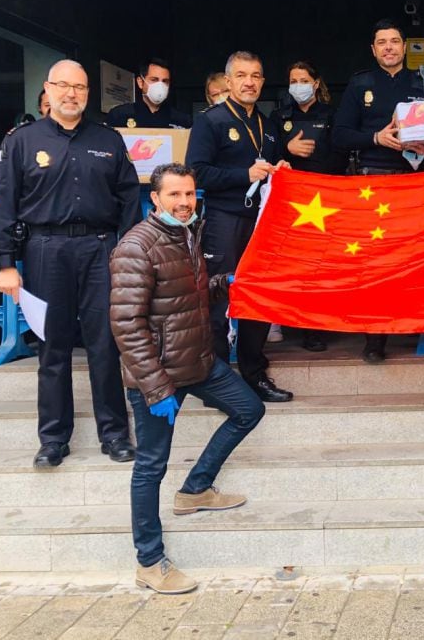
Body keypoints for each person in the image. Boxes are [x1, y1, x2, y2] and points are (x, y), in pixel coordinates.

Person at [110, 163, 265, 595]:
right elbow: (127, 325)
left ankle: (196, 488)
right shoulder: (136, 247)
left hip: (197, 361)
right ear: (155, 198)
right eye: (174, 195)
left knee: (249, 409)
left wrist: (222, 283)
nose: (183, 202)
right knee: (150, 467)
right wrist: (156, 387)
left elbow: (183, 295)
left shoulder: (187, 233)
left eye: (190, 194)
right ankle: (149, 561)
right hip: (158, 376)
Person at [0, 59, 140, 467]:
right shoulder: (21, 141)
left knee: (105, 344)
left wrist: (125, 252)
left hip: (99, 250)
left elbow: (129, 200)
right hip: (44, 251)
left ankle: (115, 434)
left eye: (80, 87)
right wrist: (6, 262)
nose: (72, 93)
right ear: (48, 90)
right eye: (64, 86)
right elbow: (2, 204)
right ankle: (53, 438)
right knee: (51, 346)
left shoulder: (108, 140)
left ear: (88, 93)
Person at [332, 18, 424, 363]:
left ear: (404, 47)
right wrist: (375, 138)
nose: (388, 47)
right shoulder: (360, 86)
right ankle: (376, 338)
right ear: (373, 49)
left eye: (394, 41)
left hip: (420, 183)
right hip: (377, 182)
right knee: (379, 264)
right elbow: (338, 136)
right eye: (381, 42)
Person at [186, 50, 294, 403]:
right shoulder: (211, 121)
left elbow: (271, 168)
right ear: (229, 81)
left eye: (257, 76)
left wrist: (281, 170)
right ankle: (217, 381)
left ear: (263, 81)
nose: (249, 82)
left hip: (262, 223)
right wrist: (242, 175)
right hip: (224, 219)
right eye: (242, 75)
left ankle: (254, 374)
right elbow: (197, 172)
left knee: (258, 297)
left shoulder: (267, 123)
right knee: (219, 298)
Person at [272, 61, 347, 352]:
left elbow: (342, 155)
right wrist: (286, 150)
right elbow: (267, 154)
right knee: (296, 265)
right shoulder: (279, 117)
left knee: (323, 264)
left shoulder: (332, 115)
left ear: (316, 83)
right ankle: (297, 322)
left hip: (325, 199)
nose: (298, 85)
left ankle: (318, 327)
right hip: (290, 201)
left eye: (304, 79)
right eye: (293, 80)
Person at [107, 58, 192, 130]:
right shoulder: (120, 115)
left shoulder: (182, 120)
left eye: (165, 81)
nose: (160, 85)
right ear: (140, 82)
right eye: (154, 80)